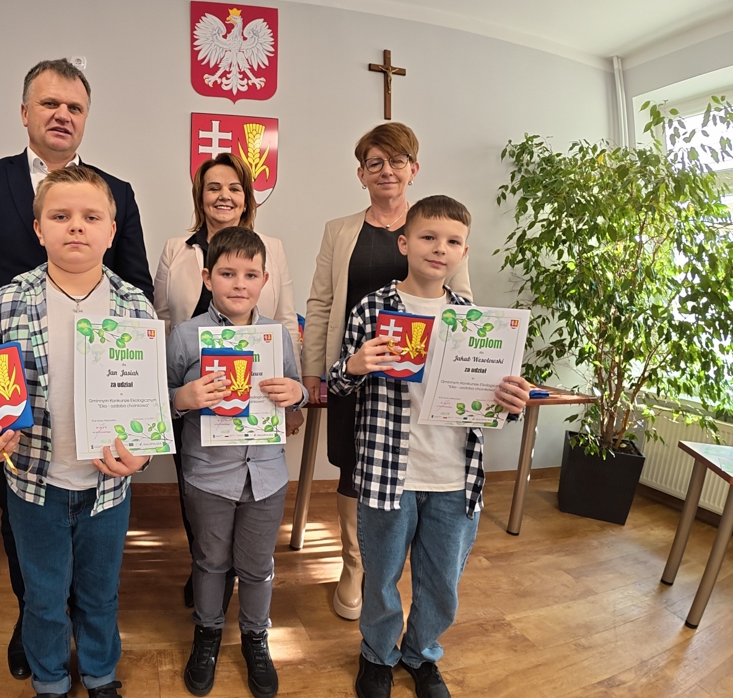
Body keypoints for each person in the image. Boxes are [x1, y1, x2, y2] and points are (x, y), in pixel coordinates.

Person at [0, 59, 154, 679]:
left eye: (74, 107)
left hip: (102, 452)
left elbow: (137, 293)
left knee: (97, 579)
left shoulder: (117, 193)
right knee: (31, 551)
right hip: (20, 423)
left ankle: (91, 654)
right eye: (50, 104)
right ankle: (38, 632)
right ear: (25, 112)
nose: (62, 115)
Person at [327, 196, 529, 698]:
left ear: (464, 252)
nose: (440, 248)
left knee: (442, 583)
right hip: (386, 473)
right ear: (404, 244)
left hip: (455, 476)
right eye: (428, 237)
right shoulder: (372, 309)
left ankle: (421, 654)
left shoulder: (476, 321)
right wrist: (354, 365)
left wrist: (511, 402)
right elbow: (338, 384)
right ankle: (377, 655)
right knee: (380, 577)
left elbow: (494, 408)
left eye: (453, 241)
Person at [0, 166, 153, 698]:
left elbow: (150, 400)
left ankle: (99, 674)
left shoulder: (134, 306)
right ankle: (49, 679)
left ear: (112, 231)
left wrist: (141, 456)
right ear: (38, 229)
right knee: (44, 596)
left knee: (100, 593)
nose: (76, 226)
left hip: (108, 486)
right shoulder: (8, 303)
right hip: (34, 485)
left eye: (91, 217)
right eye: (60, 216)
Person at [301, 123, 471, 622]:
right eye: (374, 162)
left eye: (397, 161)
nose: (386, 171)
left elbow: (463, 306)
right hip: (354, 370)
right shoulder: (339, 230)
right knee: (354, 466)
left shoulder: (436, 230)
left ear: (413, 169)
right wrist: (315, 372)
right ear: (361, 174)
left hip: (420, 382)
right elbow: (321, 301)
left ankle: (394, 565)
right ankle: (355, 565)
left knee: (405, 468)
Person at [154, 153, 301, 609]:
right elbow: (161, 318)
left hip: (258, 421)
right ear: (200, 195)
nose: (224, 195)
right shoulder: (177, 248)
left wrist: (295, 396)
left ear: (247, 197)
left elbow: (286, 320)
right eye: (214, 187)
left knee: (255, 538)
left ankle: (234, 581)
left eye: (234, 187)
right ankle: (208, 575)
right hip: (197, 408)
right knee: (203, 509)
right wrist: (179, 395)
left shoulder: (270, 247)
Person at [167, 227, 307, 698]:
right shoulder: (186, 336)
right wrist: (183, 397)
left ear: (265, 280)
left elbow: (296, 394)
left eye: (250, 275)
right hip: (208, 475)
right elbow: (159, 401)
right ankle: (207, 633)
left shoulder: (277, 337)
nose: (239, 284)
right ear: (208, 278)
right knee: (209, 561)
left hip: (266, 475)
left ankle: (255, 636)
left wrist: (296, 393)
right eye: (228, 274)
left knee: (258, 564)